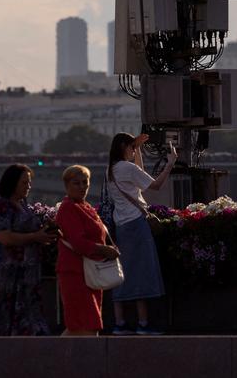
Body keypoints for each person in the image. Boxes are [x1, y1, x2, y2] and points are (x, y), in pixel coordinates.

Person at [106, 132, 175, 335]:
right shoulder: (127, 168)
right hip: (136, 225)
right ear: (123, 148)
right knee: (143, 273)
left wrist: (138, 149)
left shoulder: (111, 169)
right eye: (132, 148)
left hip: (121, 225)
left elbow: (140, 176)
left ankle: (120, 323)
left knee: (124, 273)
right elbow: (154, 184)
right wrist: (170, 163)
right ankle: (143, 323)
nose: (134, 151)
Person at [0, 163, 56, 336]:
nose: (29, 186)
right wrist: (35, 237)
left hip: (26, 277)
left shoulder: (23, 204)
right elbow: (4, 238)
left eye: (29, 182)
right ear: (12, 183)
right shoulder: (1, 206)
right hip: (4, 277)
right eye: (24, 183)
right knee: (2, 325)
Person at [55, 165, 119, 336]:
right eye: (77, 183)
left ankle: (55, 359)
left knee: (83, 324)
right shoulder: (68, 207)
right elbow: (78, 242)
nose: (82, 187)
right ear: (66, 185)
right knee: (85, 323)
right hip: (75, 273)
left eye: (85, 182)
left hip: (90, 272)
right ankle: (85, 361)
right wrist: (104, 250)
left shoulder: (86, 206)